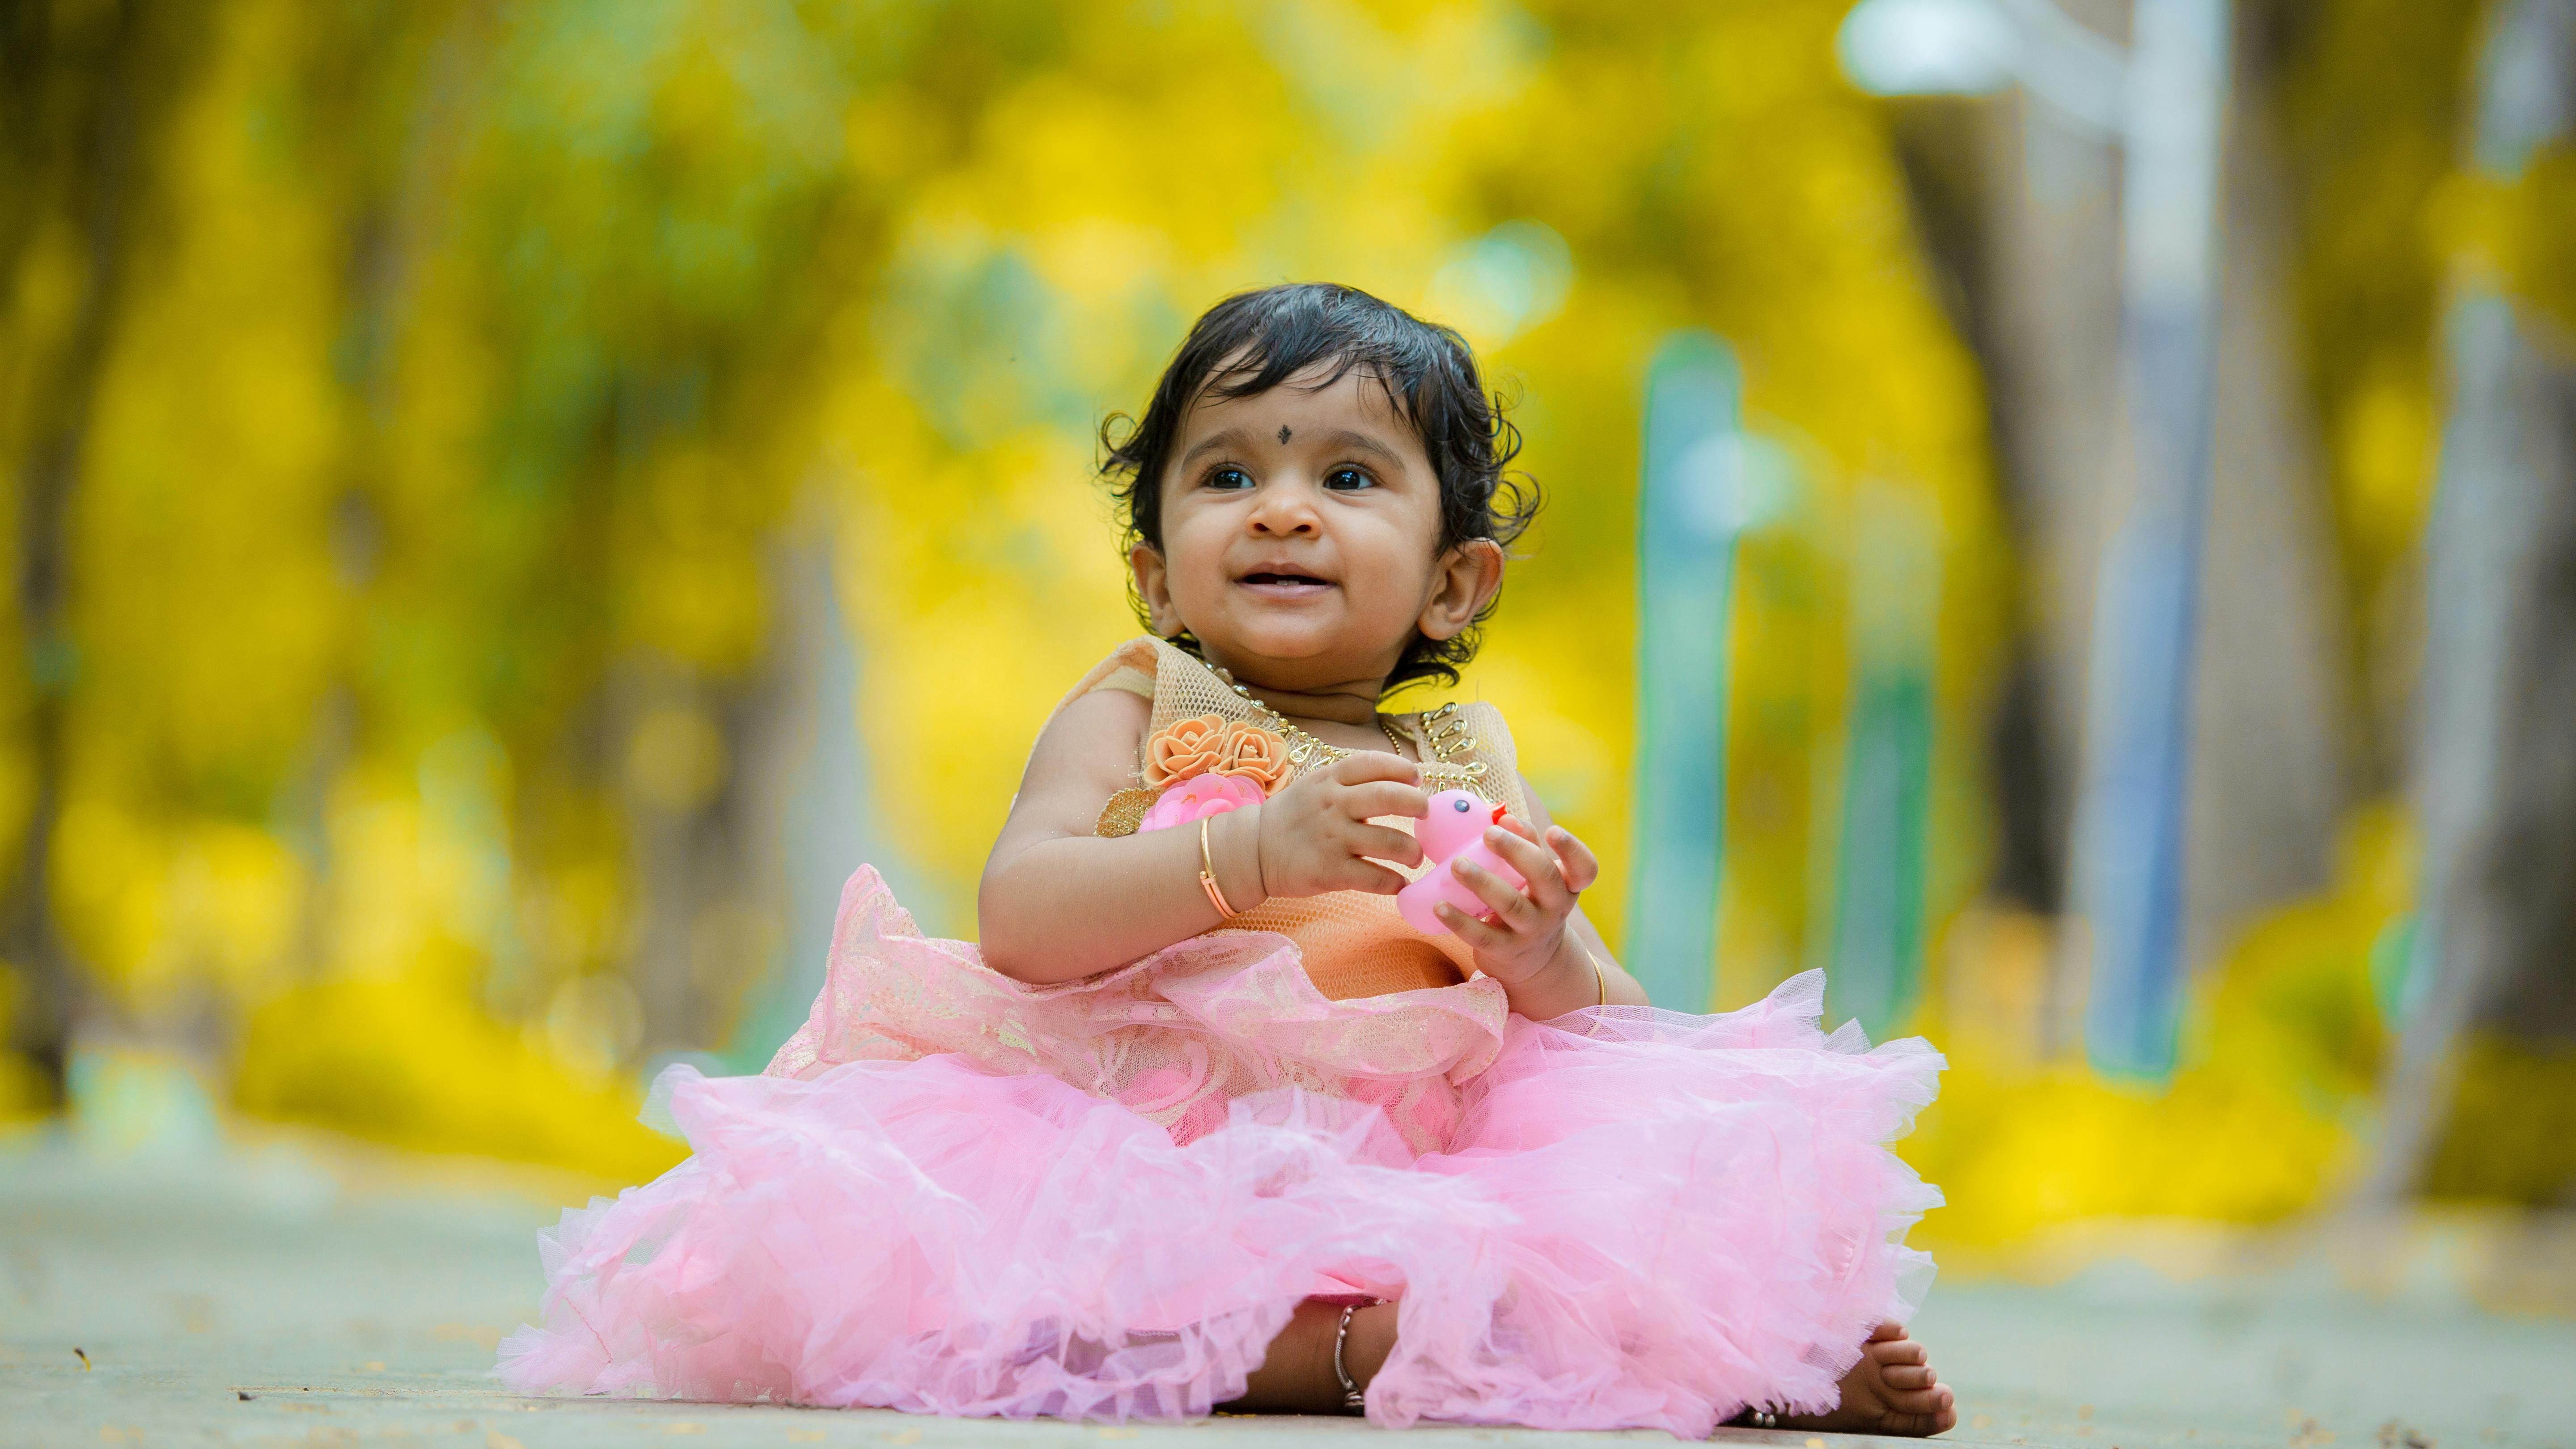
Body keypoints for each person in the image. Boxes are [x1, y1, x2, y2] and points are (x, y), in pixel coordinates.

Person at [497, 283, 1956, 1438]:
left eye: (1348, 475)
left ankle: (1737, 1365)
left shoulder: (1465, 760)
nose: (1281, 506)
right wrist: (1248, 853)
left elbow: (1605, 1032)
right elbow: (1022, 918)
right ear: (1155, 570)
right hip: (1151, 1148)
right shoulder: (1140, 706)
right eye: (1227, 473)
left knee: (1591, 1245)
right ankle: (1383, 1361)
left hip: (1408, 1164)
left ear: (1455, 580)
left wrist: (1542, 953)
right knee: (1043, 1316)